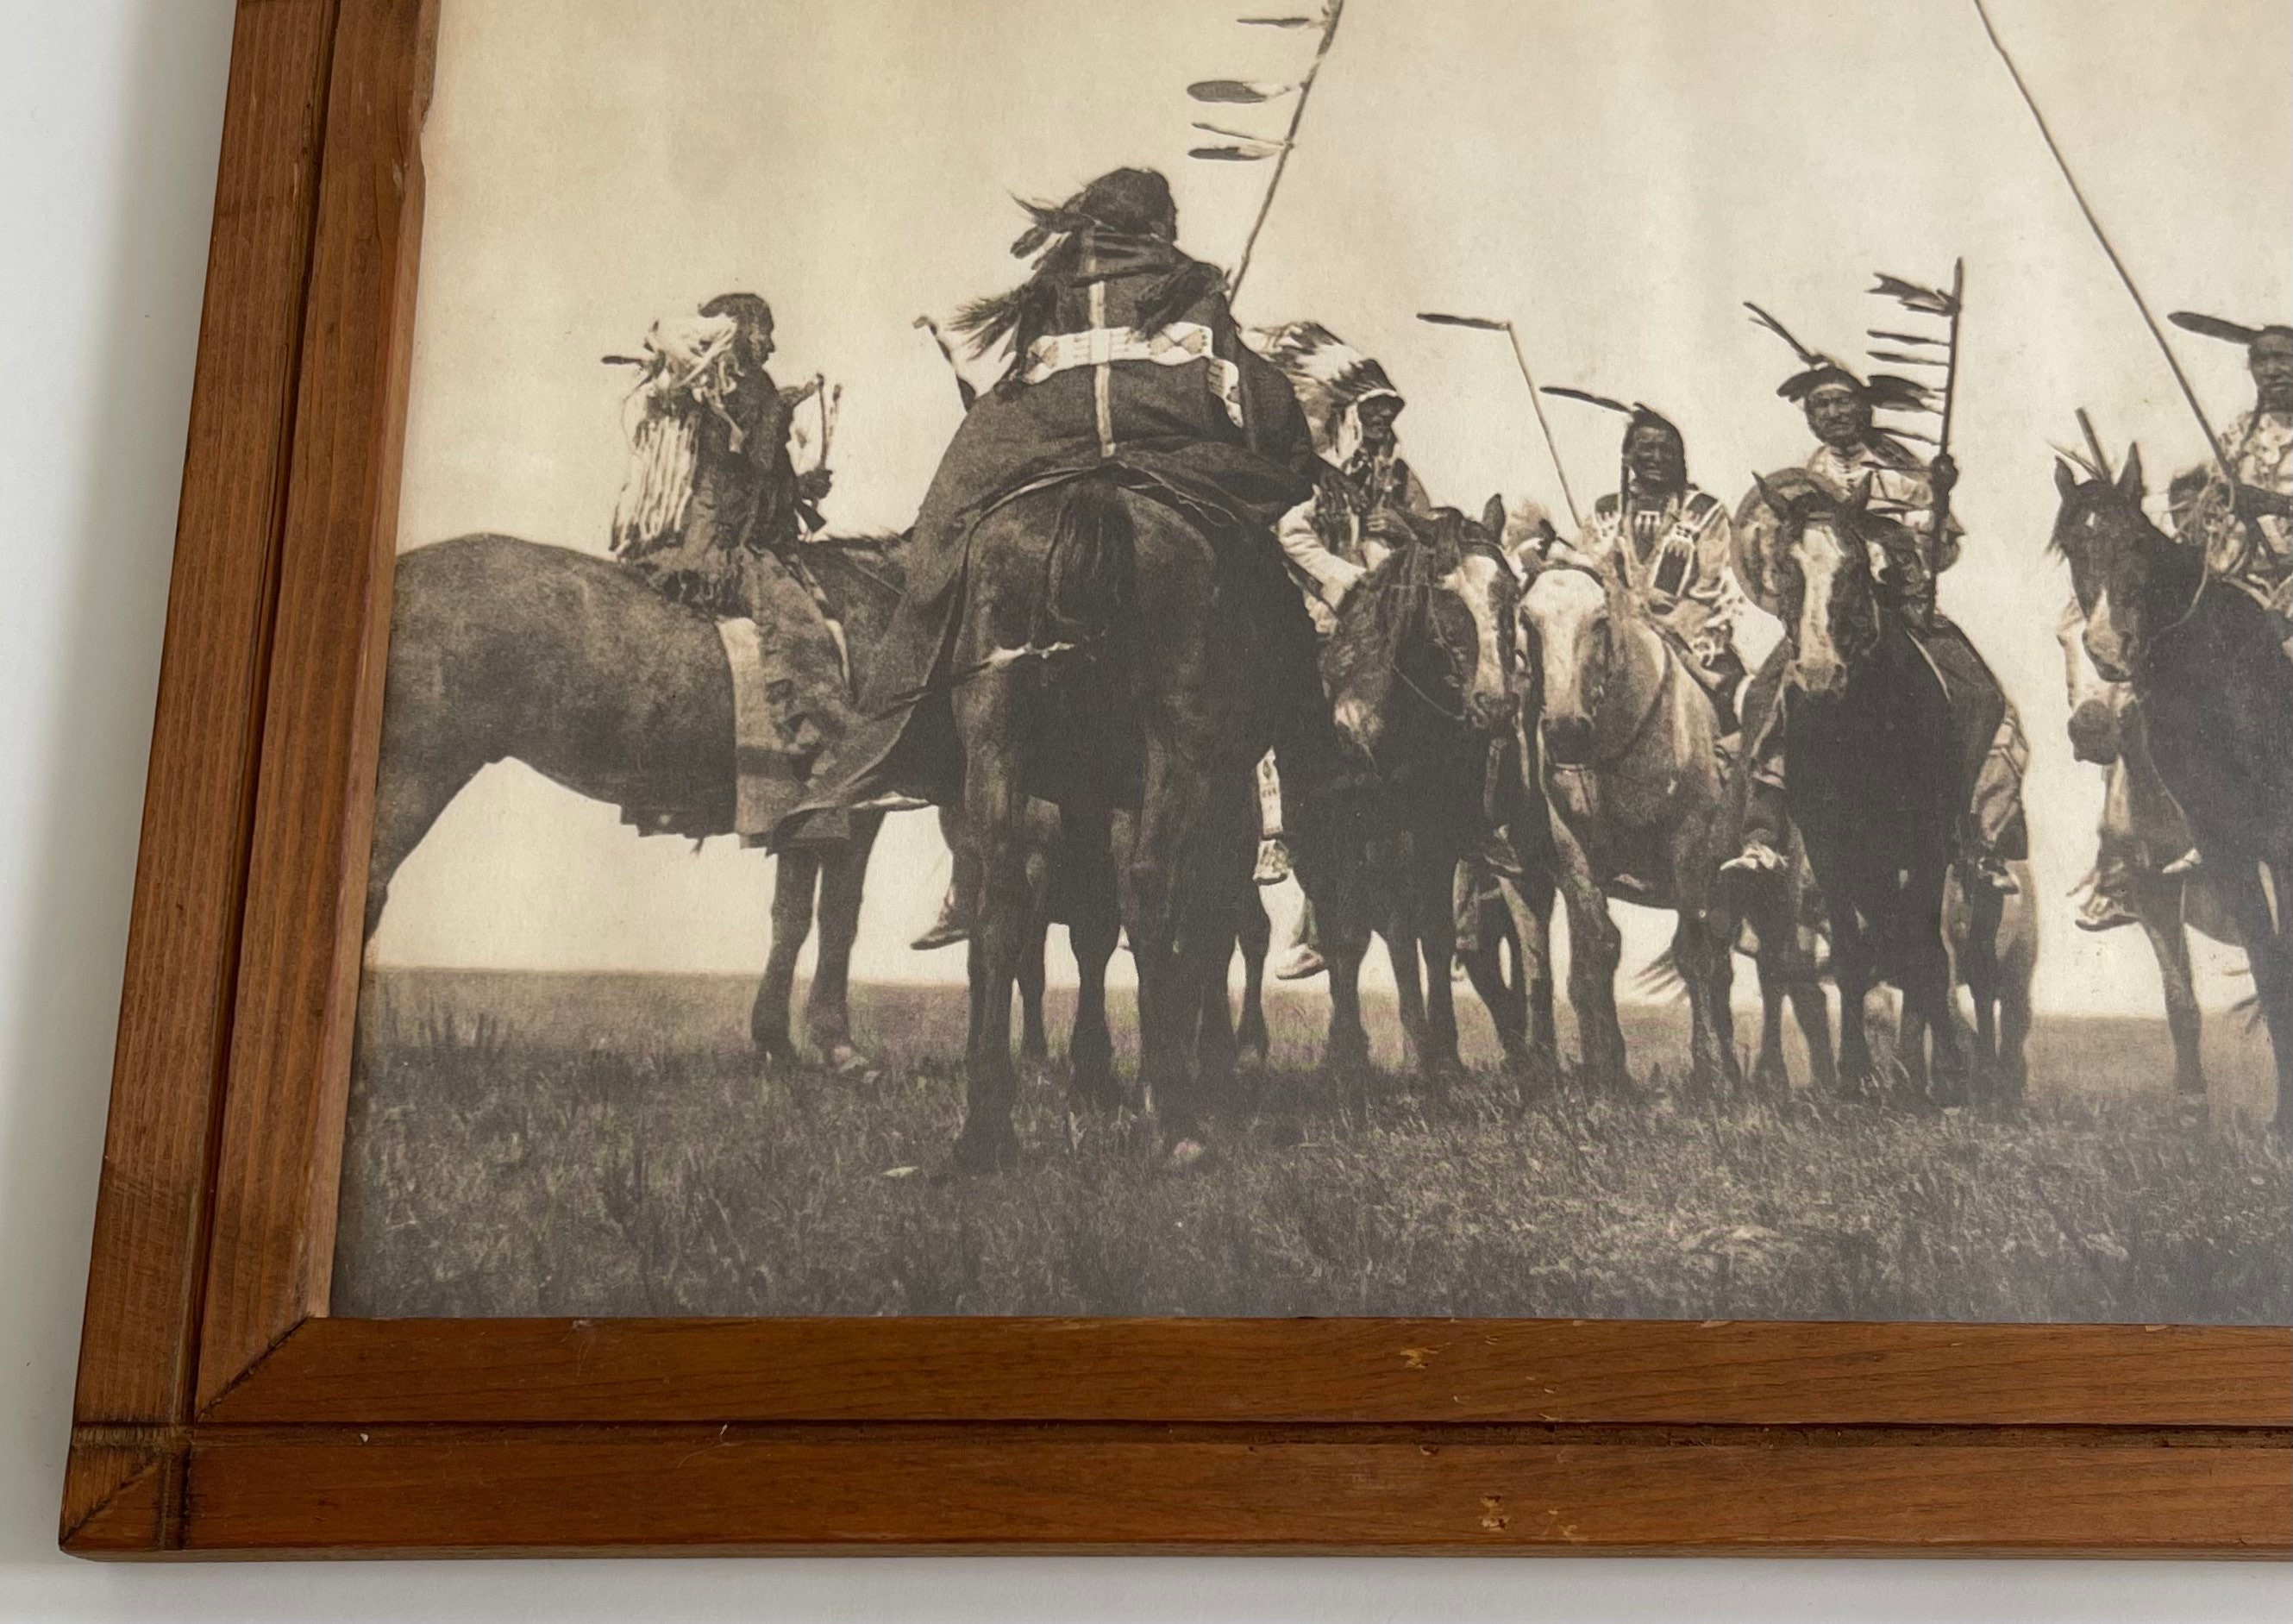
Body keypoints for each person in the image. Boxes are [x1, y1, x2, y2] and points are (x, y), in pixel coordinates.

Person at [799, 166, 1323, 936]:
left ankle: (909, 728)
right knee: (1275, 607)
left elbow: (1008, 397)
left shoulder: (1048, 296)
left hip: (1042, 463)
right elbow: (1264, 411)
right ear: (1156, 225)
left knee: (943, 549)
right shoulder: (1192, 291)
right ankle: (1310, 766)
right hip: (1170, 469)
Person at [1726, 321, 2027, 895]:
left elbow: (1943, 551)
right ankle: (1762, 835)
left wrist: (1936, 503)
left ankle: (1978, 837)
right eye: (1821, 406)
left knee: (1982, 696)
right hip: (1826, 619)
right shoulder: (1798, 485)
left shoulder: (1904, 470)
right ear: (1809, 418)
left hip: (1902, 610)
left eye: (1843, 402)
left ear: (1863, 409)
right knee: (1764, 695)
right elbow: (1774, 554)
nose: (1834, 414)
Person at [608, 292, 864, 838]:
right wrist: (785, 412)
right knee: (802, 632)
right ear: (741, 332)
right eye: (764, 331)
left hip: (692, 543)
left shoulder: (720, 390)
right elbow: (759, 469)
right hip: (721, 551)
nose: (771, 343)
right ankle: (828, 772)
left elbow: (752, 477)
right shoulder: (750, 389)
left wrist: (800, 484)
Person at [2074, 314, 2292, 928]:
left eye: (2284, 359)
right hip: (2239, 579)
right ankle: (2153, 845)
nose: (2274, 370)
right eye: (2263, 360)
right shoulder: (2235, 435)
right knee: (2147, 685)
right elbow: (2210, 508)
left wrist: (2275, 504)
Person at [1243, 323, 1438, 977]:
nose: (1382, 425)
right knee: (1276, 717)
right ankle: (1272, 832)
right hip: (1316, 624)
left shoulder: (1399, 478)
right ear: (1348, 415)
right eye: (1371, 414)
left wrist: (1405, 530)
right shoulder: (1308, 476)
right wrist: (1350, 582)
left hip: (1385, 632)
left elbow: (1430, 540)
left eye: (1389, 414)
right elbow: (1291, 536)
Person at [1542, 391, 1747, 728]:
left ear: (1680, 458)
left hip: (1687, 639)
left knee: (1734, 708)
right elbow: (1588, 579)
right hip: (1616, 640)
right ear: (1627, 456)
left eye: (1667, 449)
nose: (1656, 457)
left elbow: (1712, 584)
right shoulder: (1607, 510)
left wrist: (1664, 625)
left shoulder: (1705, 511)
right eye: (1646, 448)